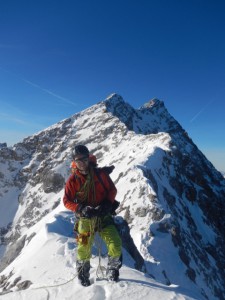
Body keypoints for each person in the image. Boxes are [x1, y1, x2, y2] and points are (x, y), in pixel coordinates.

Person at [63, 145, 122, 286]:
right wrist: (80, 208)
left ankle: (113, 269)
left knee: (115, 243)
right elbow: (66, 201)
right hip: (85, 219)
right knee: (83, 246)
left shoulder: (100, 175)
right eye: (78, 160)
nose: (81, 163)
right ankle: (83, 272)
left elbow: (112, 190)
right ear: (74, 162)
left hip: (103, 216)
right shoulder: (73, 180)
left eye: (84, 159)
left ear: (89, 158)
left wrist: (108, 203)